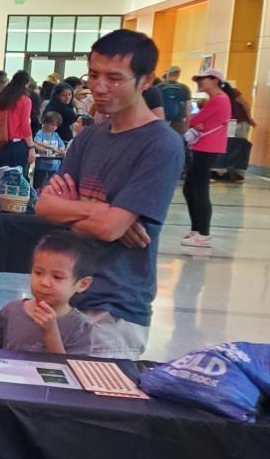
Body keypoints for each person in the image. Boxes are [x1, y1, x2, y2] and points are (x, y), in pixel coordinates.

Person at [36, 29, 185, 360]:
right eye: (93, 74)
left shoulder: (160, 144)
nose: (99, 87)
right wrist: (102, 210)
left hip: (115, 308)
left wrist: (78, 209)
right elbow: (45, 205)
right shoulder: (91, 138)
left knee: (94, 409)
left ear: (145, 81)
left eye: (114, 78)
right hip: (65, 299)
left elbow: (110, 229)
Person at [0, 231, 101, 355]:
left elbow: (72, 369)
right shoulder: (11, 310)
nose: (44, 282)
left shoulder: (80, 327)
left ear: (82, 284)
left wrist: (50, 332)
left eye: (57, 277)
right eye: (38, 273)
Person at [180, 68, 233, 249]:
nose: (199, 82)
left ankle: (203, 233)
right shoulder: (217, 100)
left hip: (208, 148)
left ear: (215, 80)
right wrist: (197, 121)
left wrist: (196, 121)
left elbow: (194, 121)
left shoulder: (220, 100)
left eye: (203, 79)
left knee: (200, 190)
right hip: (203, 146)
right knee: (189, 189)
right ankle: (196, 230)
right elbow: (196, 121)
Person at [0, 71, 38, 169]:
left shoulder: (0, 98)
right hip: (18, 144)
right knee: (18, 178)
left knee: (1, 177)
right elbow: (25, 125)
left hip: (0, 141)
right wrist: (31, 147)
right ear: (27, 84)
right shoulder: (25, 100)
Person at [155, 65, 193, 136]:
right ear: (178, 75)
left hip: (161, 122)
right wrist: (187, 126)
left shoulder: (158, 87)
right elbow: (188, 110)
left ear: (167, 74)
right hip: (178, 122)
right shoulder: (184, 88)